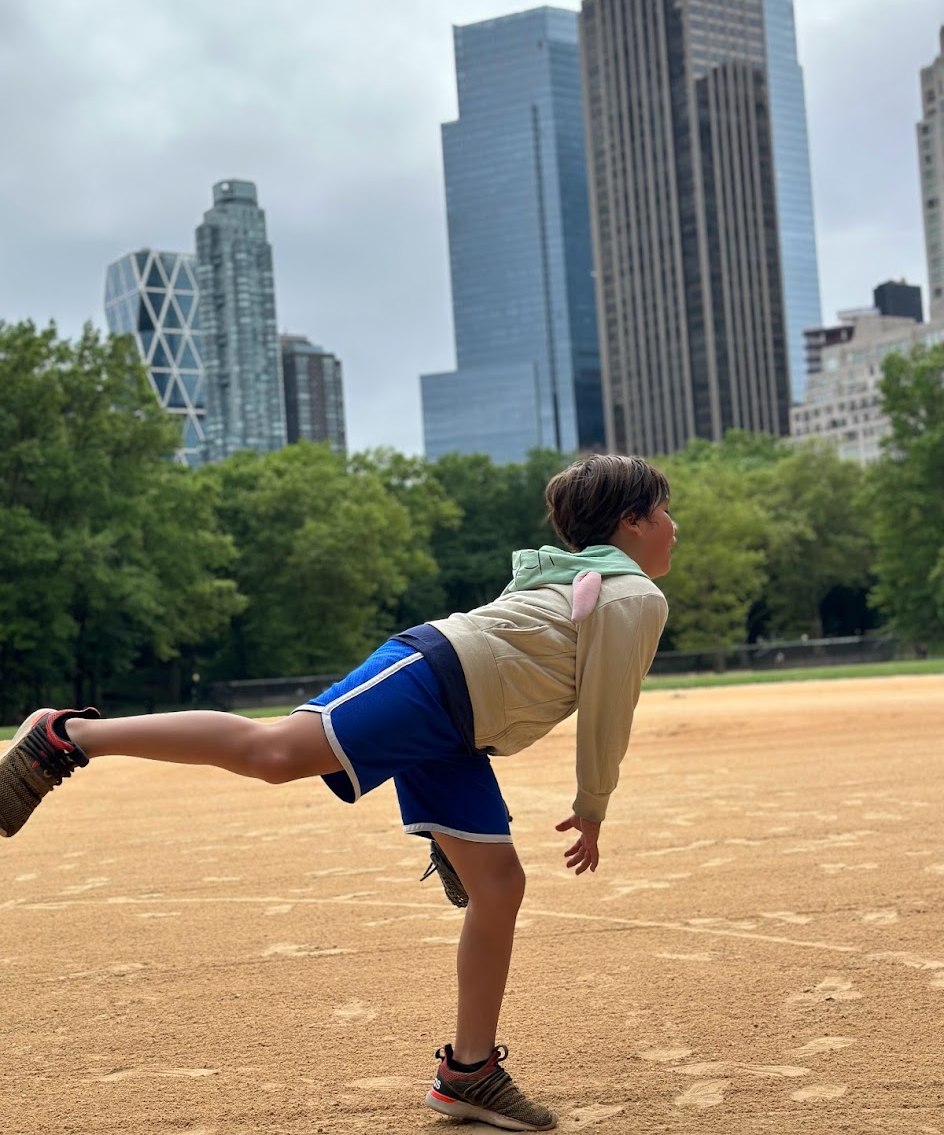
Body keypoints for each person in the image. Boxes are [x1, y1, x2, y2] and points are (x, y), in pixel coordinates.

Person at [0, 453, 674, 1133]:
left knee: (498, 885)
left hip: (460, 729)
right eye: (665, 513)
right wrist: (593, 806)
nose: (674, 527)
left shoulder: (598, 580)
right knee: (276, 753)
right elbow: (608, 706)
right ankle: (67, 737)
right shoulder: (633, 594)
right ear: (632, 521)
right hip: (434, 679)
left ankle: (469, 1073)